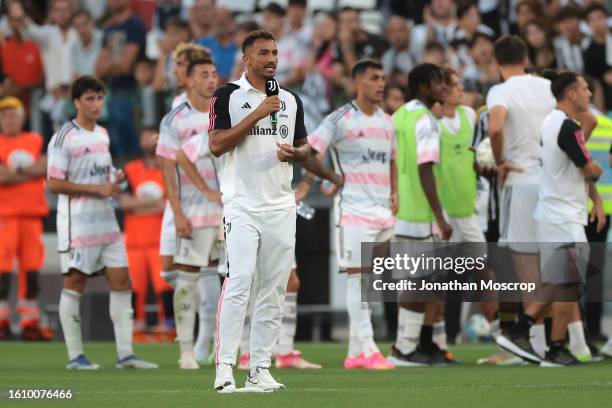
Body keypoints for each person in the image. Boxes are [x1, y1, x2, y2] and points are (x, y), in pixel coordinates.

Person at [209, 30, 340, 392]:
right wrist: (258, 114)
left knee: (274, 288)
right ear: (246, 59)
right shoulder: (228, 96)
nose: (271, 59)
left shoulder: (291, 100)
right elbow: (217, 145)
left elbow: (304, 150)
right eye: (263, 53)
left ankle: (260, 369)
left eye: (275, 53)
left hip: (281, 205)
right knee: (239, 282)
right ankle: (224, 368)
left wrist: (305, 161)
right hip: (241, 205)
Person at [47, 76, 158, 370]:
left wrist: (114, 180)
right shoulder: (63, 137)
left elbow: (103, 174)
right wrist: (97, 189)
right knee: (75, 282)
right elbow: (54, 183)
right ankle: (75, 356)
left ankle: (125, 354)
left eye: (100, 98)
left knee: (123, 281)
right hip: (78, 224)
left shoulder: (103, 134)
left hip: (107, 223)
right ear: (76, 102)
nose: (96, 104)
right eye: (90, 99)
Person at [306, 60, 398, 370]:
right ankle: (371, 350)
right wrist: (327, 179)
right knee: (358, 279)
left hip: (383, 212)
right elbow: (310, 152)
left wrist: (395, 192)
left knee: (368, 282)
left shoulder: (388, 121)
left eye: (383, 77)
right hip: (354, 210)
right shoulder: (339, 118)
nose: (381, 83)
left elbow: (392, 161)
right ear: (358, 83)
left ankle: (355, 353)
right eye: (374, 78)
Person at [484, 35, 555, 363]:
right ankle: (555, 341)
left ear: (497, 63)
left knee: (528, 270)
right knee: (553, 267)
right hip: (552, 182)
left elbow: (496, 128)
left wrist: (499, 161)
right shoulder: (546, 86)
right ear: (526, 57)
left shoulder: (500, 90)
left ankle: (531, 342)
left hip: (522, 181)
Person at [532, 69, 603, 366]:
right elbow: (589, 169)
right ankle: (523, 328)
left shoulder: (550, 122)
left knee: (566, 283)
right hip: (563, 214)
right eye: (585, 89)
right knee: (563, 283)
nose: (589, 94)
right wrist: (596, 169)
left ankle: (556, 347)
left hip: (555, 211)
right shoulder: (568, 127)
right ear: (571, 93)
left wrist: (594, 198)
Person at [156, 57, 222, 369]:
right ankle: (185, 351)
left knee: (232, 279)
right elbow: (168, 167)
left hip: (226, 210)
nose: (211, 79)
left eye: (213, 74)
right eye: (203, 75)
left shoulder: (226, 112)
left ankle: (218, 346)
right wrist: (178, 213)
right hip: (193, 211)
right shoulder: (175, 119)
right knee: (185, 278)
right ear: (190, 81)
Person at [388, 63, 450, 367]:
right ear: (423, 86)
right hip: (420, 212)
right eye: (439, 82)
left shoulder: (399, 115)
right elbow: (425, 167)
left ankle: (409, 346)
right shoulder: (425, 119)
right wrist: (439, 216)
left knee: (415, 282)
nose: (445, 87)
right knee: (420, 282)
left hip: (400, 211)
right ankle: (404, 349)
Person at [0, 96, 49, 341]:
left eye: (13, 114)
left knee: (31, 269)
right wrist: (29, 173)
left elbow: (47, 167)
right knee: (2, 270)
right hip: (4, 215)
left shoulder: (35, 139)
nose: (9, 119)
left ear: (22, 117)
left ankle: (30, 321)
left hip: (32, 213)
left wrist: (14, 172)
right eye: (5, 115)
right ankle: (2, 320)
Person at [121, 128, 173, 337]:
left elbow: (169, 204)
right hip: (134, 240)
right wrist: (155, 204)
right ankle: (135, 325)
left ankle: (169, 324)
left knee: (165, 285)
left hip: (162, 239)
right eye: (146, 137)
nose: (150, 142)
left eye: (155, 137)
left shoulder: (170, 169)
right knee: (134, 286)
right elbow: (124, 202)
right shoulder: (130, 169)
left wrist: (139, 205)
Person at [95, 0, 147, 160]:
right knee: (118, 149)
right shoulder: (109, 28)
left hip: (132, 94)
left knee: (135, 147)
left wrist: (110, 63)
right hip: (113, 94)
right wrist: (115, 63)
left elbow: (125, 66)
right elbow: (98, 69)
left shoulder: (135, 25)